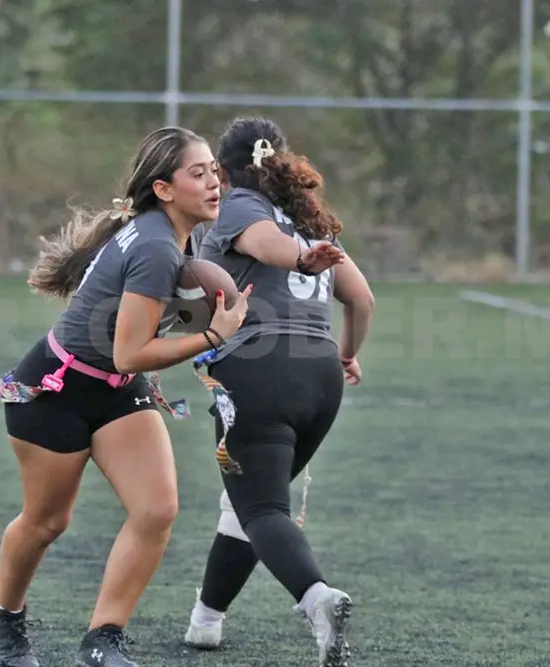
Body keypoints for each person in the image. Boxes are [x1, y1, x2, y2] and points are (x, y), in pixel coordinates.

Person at [0, 126, 252, 667]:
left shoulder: (178, 233)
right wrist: (213, 335)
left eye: (214, 171)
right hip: (54, 389)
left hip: (114, 389)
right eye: (196, 173)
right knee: (46, 523)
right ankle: (6, 617)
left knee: (155, 510)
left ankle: (102, 641)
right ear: (164, 190)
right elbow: (131, 353)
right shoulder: (156, 245)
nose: (213, 182)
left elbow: (125, 362)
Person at [180, 116, 375, 667]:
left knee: (262, 507)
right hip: (321, 375)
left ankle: (318, 599)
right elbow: (362, 300)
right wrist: (346, 353)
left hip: (262, 368)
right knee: (244, 505)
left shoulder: (241, 204)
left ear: (222, 169)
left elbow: (265, 246)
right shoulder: (310, 217)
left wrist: (299, 258)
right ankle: (205, 621)